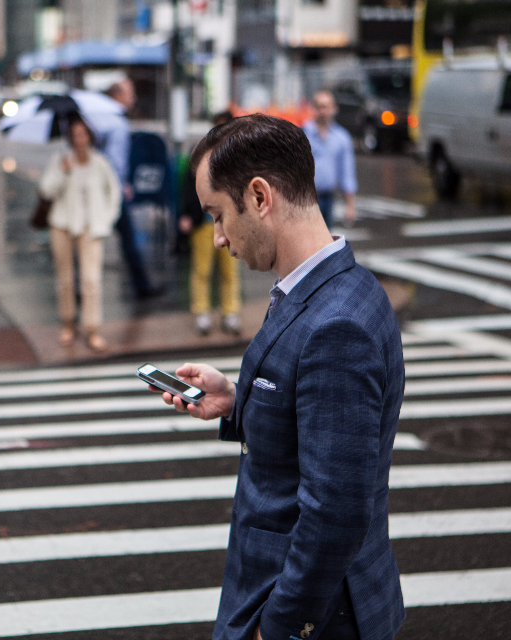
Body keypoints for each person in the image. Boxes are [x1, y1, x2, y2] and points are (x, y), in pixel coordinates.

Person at [151, 115, 405, 640]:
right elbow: (317, 422)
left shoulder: (336, 325)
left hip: (309, 615)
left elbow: (335, 511)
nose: (218, 238)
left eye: (218, 215)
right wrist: (237, 400)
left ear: (260, 197)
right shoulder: (340, 286)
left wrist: (279, 624)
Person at [39, 115, 121, 352]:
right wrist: (63, 172)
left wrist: (107, 219)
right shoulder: (61, 160)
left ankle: (92, 328)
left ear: (89, 137)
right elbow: (46, 190)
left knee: (91, 280)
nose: (79, 139)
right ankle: (67, 323)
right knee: (65, 279)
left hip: (90, 228)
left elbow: (113, 192)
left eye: (83, 134)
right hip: (62, 226)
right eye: (75, 135)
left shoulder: (99, 162)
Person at [179, 110, 242, 336]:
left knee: (230, 269)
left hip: (231, 221)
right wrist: (186, 213)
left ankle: (230, 312)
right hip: (204, 220)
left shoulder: (239, 157)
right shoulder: (201, 154)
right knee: (201, 269)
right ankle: (203, 313)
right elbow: (188, 184)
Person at [102, 78, 164, 299]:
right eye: (130, 93)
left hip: (111, 188)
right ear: (117, 96)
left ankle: (141, 284)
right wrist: (120, 184)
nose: (133, 99)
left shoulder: (108, 120)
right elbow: (112, 160)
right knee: (126, 237)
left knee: (118, 237)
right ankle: (142, 285)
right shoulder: (113, 122)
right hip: (110, 190)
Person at [303, 91, 357, 229]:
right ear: (313, 108)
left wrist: (350, 206)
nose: (323, 111)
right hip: (306, 198)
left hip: (329, 197)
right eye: (319, 106)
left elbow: (347, 173)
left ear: (334, 108)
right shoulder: (303, 134)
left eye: (326, 106)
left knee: (327, 240)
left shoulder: (342, 137)